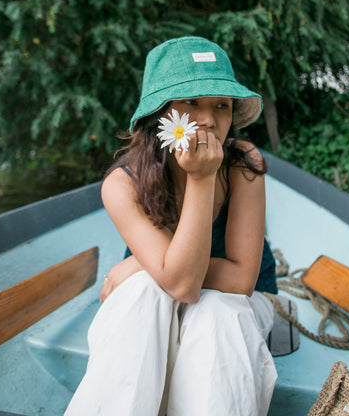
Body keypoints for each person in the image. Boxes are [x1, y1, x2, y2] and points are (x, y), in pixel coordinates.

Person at [64, 36, 278, 416]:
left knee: (216, 315)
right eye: (191, 102)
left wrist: (144, 261)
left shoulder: (243, 162)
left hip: (238, 302)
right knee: (143, 293)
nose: (209, 118)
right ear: (160, 113)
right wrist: (159, 268)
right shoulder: (122, 184)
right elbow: (176, 284)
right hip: (159, 295)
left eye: (221, 105)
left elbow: (241, 280)